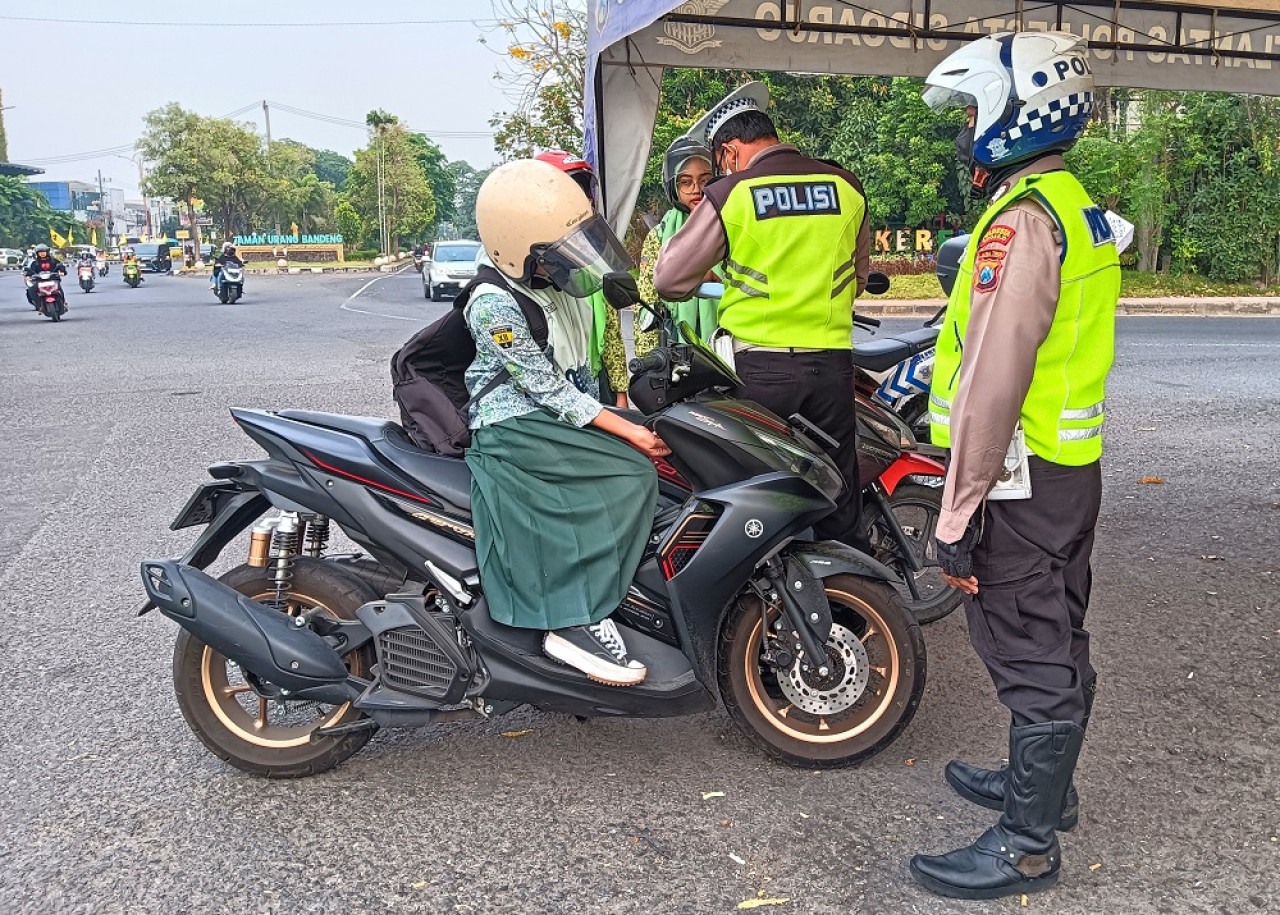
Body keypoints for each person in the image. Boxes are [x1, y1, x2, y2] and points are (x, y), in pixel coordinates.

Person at [908, 32, 1121, 901]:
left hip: (1022, 477)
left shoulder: (1023, 222)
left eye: (969, 114)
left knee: (1028, 642)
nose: (963, 135)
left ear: (1011, 111)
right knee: (1058, 629)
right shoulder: (1075, 205)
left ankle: (1028, 844)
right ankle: (1048, 789)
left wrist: (955, 518)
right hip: (1070, 468)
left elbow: (994, 384)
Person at [465, 159, 670, 685]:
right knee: (631, 474)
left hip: (552, 412)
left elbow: (582, 370)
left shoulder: (552, 287)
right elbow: (544, 387)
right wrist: (624, 428)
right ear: (516, 246)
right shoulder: (491, 304)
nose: (565, 264)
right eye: (552, 255)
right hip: (512, 425)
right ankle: (576, 617)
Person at [653, 82, 871, 546]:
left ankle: (769, 604)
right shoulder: (846, 185)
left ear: (729, 152)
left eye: (716, 164)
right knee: (838, 488)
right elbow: (859, 276)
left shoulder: (733, 192)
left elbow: (669, 280)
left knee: (760, 494)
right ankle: (853, 602)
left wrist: (715, 278)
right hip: (833, 364)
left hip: (761, 372)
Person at [533, 150, 631, 407]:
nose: (579, 204)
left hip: (594, 377)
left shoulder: (592, 258)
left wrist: (621, 393)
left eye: (583, 194)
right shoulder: (523, 271)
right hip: (548, 395)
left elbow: (611, 333)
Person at [635, 135, 718, 356]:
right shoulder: (660, 236)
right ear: (673, 186)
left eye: (705, 179)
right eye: (685, 181)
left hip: (729, 343)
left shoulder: (731, 225)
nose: (696, 189)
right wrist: (649, 366)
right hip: (678, 351)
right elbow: (647, 303)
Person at [23, 242, 67, 309]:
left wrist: (62, 271)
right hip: (40, 281)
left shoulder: (53, 261)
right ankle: (39, 305)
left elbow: (60, 266)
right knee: (31, 290)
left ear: (47, 252)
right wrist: (28, 276)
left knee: (59, 289)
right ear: (37, 254)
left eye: (43, 252)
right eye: (40, 252)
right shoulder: (35, 263)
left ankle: (63, 303)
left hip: (53, 279)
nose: (42, 254)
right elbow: (30, 271)